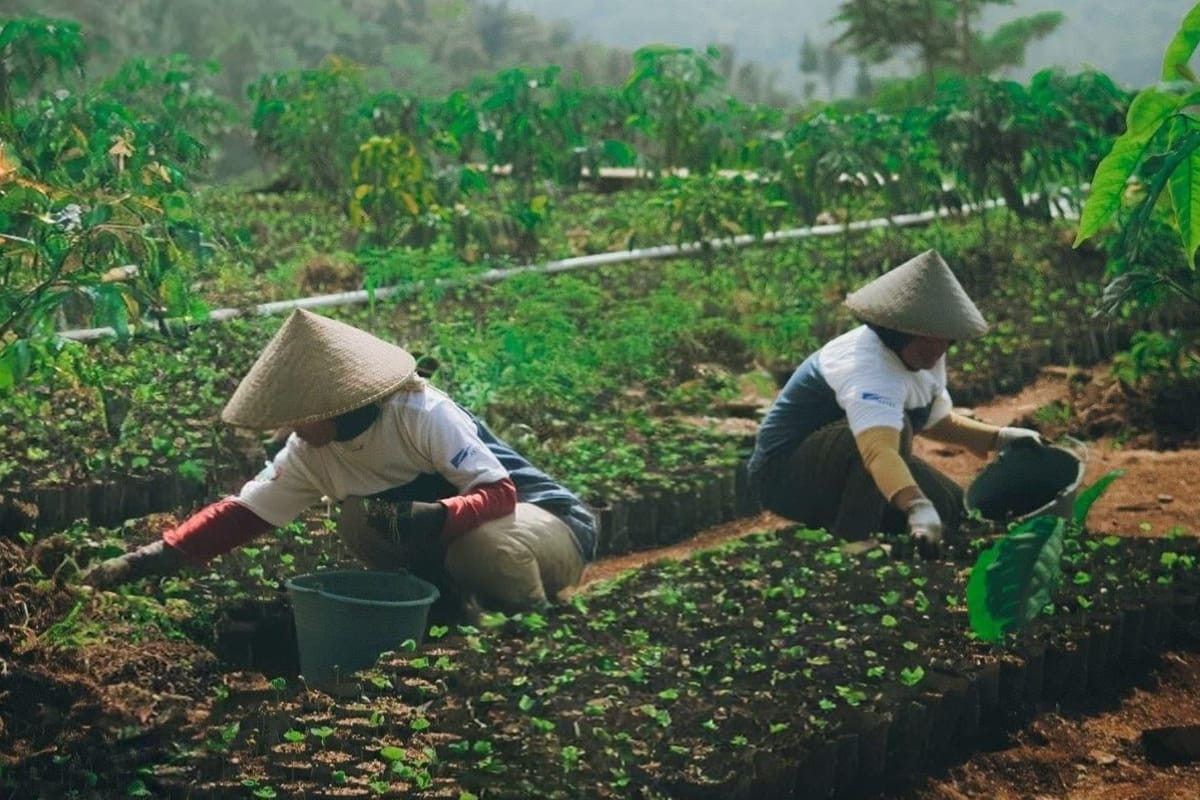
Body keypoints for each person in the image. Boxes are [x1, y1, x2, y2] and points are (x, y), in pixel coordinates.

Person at [82, 309, 598, 615]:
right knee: (358, 519)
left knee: (479, 548)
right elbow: (243, 513)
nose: (290, 427)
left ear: (336, 406)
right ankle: (447, 606)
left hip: (547, 523)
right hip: (469, 530)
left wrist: (440, 516)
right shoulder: (311, 453)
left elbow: (501, 494)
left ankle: (534, 626)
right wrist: (143, 561)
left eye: (299, 415)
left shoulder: (420, 413)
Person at [746, 249, 1041, 554]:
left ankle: (898, 534)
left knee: (951, 508)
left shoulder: (926, 355)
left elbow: (935, 420)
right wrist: (915, 504)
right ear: (898, 333)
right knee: (893, 436)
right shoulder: (867, 366)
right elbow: (878, 450)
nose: (939, 349)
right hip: (785, 477)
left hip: (849, 464)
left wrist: (1000, 438)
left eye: (945, 340)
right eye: (928, 339)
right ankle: (855, 544)